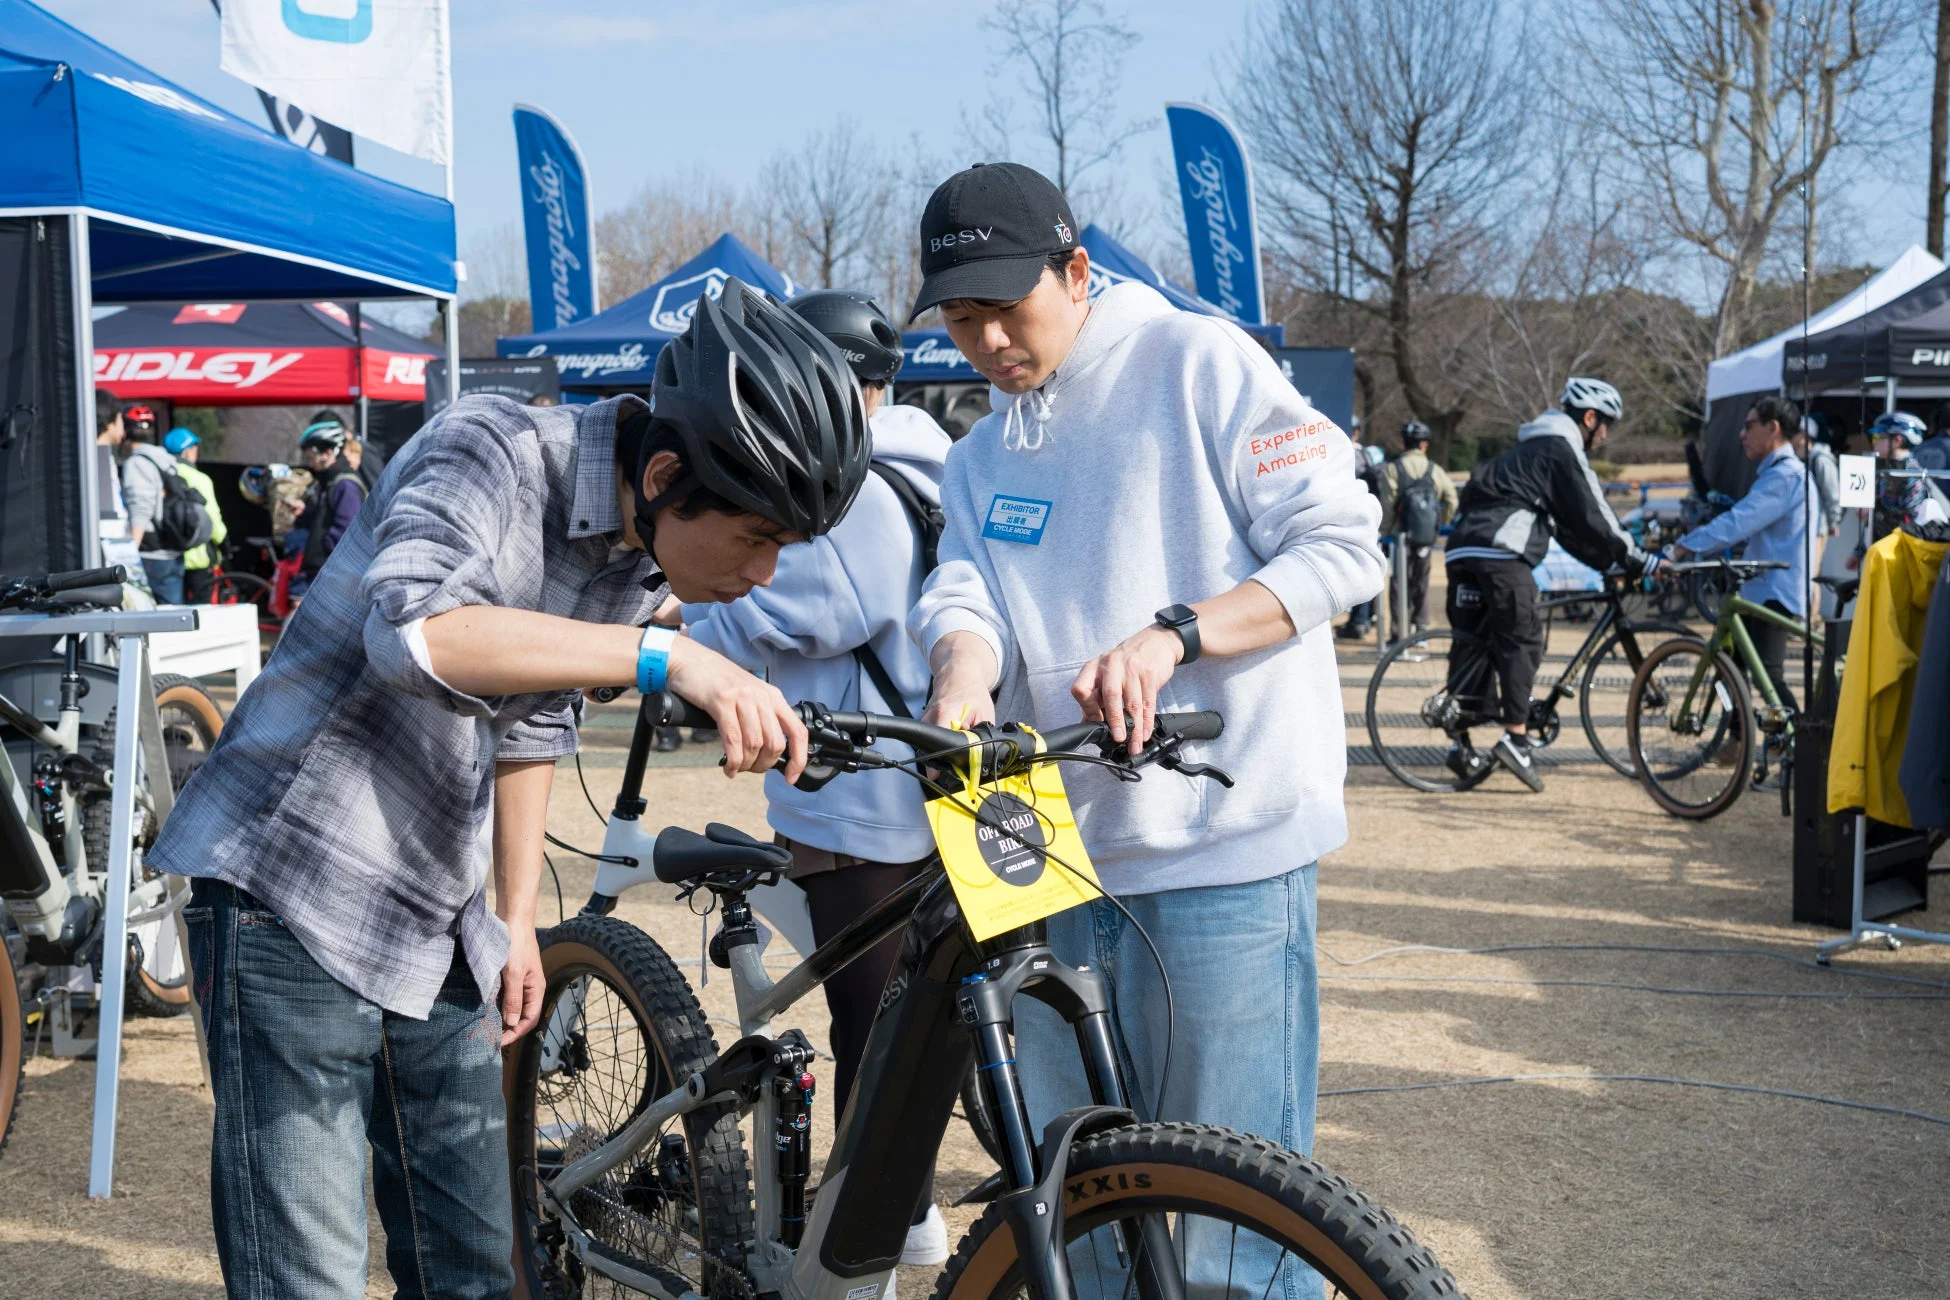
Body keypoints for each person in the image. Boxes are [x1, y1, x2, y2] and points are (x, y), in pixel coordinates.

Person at [149, 278, 868, 1299]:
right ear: (665, 473)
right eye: (757, 537)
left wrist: (518, 915)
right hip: (288, 886)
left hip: (434, 911)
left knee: (478, 1269)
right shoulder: (487, 445)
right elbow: (415, 634)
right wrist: (665, 659)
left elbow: (537, 714)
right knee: (305, 1275)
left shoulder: (633, 542)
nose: (763, 573)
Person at [906, 162, 1385, 1300]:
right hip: (1035, 842)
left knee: (1236, 1222)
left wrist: (1176, 634)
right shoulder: (978, 452)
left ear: (1077, 272)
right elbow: (963, 590)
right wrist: (961, 671)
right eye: (961, 320)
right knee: (1070, 1194)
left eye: (1004, 311)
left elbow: (1344, 545)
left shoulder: (1198, 363)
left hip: (1217, 837)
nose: (985, 343)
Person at [679, 288, 955, 1267]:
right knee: (923, 1016)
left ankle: (870, 1247)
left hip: (859, 799)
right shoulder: (941, 462)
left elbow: (790, 611)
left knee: (876, 1027)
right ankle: (907, 1219)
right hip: (940, 786)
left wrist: (697, 631)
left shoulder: (865, 490)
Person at [1442, 378, 1656, 791]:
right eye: (1605, 424)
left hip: (1461, 550)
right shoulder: (1562, 447)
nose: (1605, 434)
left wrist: (1606, 563)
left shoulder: (1525, 451)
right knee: (1523, 641)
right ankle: (1517, 740)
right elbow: (1595, 514)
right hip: (1502, 553)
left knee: (1475, 644)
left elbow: (1565, 529)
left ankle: (1459, 744)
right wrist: (1637, 558)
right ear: (1589, 418)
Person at [1670, 395, 1814, 714]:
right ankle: (1736, 737)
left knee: (1768, 677)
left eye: (1749, 426)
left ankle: (1802, 752)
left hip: (1774, 591)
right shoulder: (1781, 472)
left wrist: (1683, 546)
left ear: (1772, 428)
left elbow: (1738, 522)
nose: (1741, 434)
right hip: (1759, 589)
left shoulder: (1785, 476)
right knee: (1729, 669)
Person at [1375, 420, 1459, 633]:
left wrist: (1385, 530)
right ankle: (1420, 627)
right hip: (1424, 536)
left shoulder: (1393, 469)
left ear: (1404, 442)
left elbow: (1387, 504)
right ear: (1424, 445)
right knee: (1421, 581)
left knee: (1397, 583)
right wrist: (1440, 523)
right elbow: (1452, 500)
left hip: (1398, 536)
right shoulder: (1435, 470)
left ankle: (1398, 631)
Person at [117, 403, 188, 603]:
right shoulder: (165, 459)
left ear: (126, 431)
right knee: (172, 619)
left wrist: (128, 556)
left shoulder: (136, 463)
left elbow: (141, 508)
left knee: (149, 621)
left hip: (150, 555)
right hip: (172, 551)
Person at [296, 413, 368, 592]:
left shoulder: (345, 484)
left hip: (333, 578)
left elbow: (345, 534)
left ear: (328, 453)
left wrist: (322, 550)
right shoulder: (328, 482)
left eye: (311, 457)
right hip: (323, 573)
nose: (310, 464)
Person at [1336, 416, 1388, 639]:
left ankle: (1358, 621)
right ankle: (1365, 619)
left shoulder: (1333, 453)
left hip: (1342, 522)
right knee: (1367, 569)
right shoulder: (1369, 456)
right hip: (1369, 521)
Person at [164, 428, 228, 605]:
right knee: (202, 613)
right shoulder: (200, 479)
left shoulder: (162, 475)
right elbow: (213, 520)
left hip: (168, 557)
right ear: (187, 451)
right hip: (198, 558)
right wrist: (223, 541)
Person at [1793, 414, 1842, 539]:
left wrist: (1833, 522)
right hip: (1802, 527)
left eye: (1794, 432)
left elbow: (1832, 494)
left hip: (1818, 528)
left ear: (1803, 435)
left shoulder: (1821, 460)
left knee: (1813, 559)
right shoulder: (1799, 460)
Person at [94, 389, 128, 534]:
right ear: (110, 422)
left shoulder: (103, 457)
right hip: (108, 542)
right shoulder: (96, 459)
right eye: (121, 420)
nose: (124, 429)